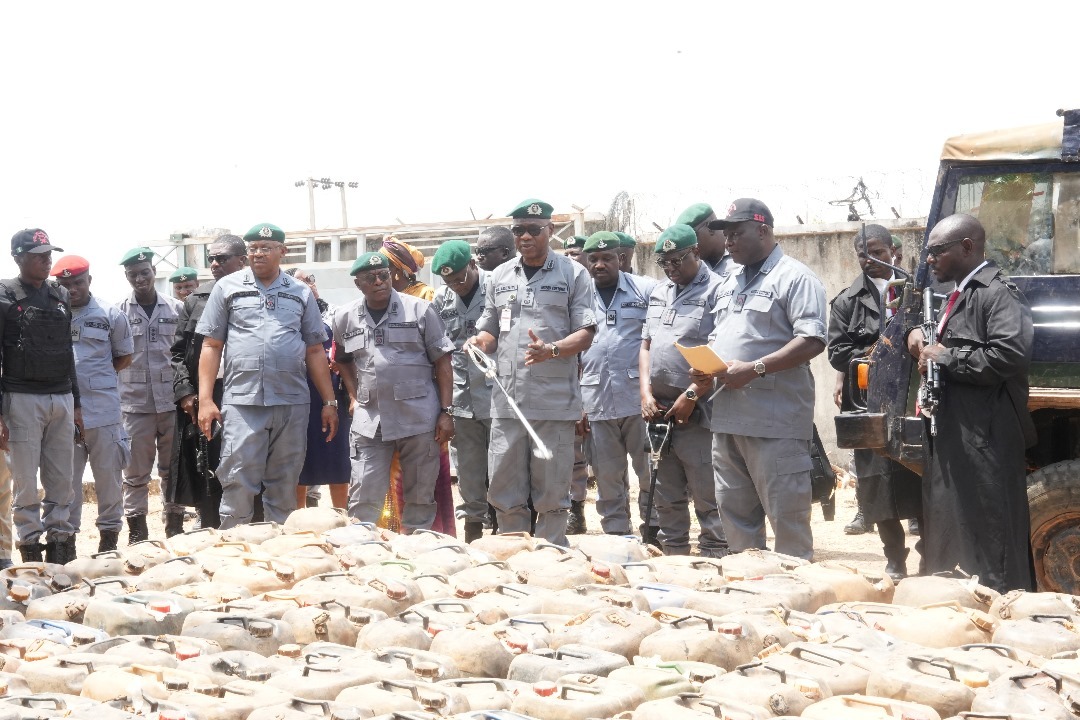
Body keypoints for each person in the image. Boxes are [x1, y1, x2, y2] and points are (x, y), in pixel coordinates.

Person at [906, 213, 1035, 592]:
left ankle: (998, 614)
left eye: (936, 252)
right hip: (957, 434)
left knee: (990, 534)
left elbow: (1008, 355)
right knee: (953, 526)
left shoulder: (998, 293)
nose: (929, 260)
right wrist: (918, 340)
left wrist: (945, 357)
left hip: (986, 438)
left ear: (967, 247)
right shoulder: (959, 293)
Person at [695, 199, 827, 561]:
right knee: (737, 524)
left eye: (736, 234)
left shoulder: (795, 277)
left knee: (788, 527)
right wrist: (705, 370)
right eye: (726, 235)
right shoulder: (728, 283)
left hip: (774, 424)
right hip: (727, 420)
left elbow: (812, 339)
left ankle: (798, 605)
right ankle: (752, 597)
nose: (728, 243)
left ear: (763, 231)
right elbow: (720, 338)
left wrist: (755, 368)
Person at [469, 198, 596, 546]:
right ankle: (514, 556)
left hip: (552, 401)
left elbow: (587, 331)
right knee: (504, 484)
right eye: (518, 230)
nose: (525, 237)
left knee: (552, 488)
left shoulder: (574, 274)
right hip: (507, 400)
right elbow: (491, 327)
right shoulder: (500, 276)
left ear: (550, 231)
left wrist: (552, 350)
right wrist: (480, 340)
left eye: (533, 230)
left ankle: (551, 556)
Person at [196, 223, 338, 528]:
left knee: (285, 485)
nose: (258, 254)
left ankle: (280, 561)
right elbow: (211, 344)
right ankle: (234, 554)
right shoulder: (227, 287)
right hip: (242, 402)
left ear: (282, 252)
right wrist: (205, 400)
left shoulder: (300, 292)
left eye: (266, 248)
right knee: (237, 481)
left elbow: (315, 350)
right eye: (253, 248)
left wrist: (329, 401)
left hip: (291, 402)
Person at [334, 252, 456, 529]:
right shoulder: (345, 317)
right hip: (371, 421)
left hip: (418, 418)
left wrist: (446, 411)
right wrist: (354, 396)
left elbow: (443, 362)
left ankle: (417, 558)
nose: (379, 281)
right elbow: (342, 361)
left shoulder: (420, 310)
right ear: (358, 284)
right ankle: (362, 556)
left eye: (384, 275)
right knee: (364, 496)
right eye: (370, 278)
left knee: (420, 497)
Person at [828, 224, 922, 580]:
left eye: (878, 252)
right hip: (868, 404)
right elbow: (837, 353)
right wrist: (876, 353)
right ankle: (894, 559)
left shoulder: (918, 290)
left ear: (893, 252)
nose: (871, 260)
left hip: (912, 402)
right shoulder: (847, 300)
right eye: (863, 254)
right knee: (875, 484)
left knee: (919, 478)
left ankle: (930, 554)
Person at [639, 224, 727, 557]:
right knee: (665, 490)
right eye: (665, 263)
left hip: (697, 410)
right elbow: (646, 345)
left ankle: (715, 552)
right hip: (658, 410)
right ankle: (675, 554)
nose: (671, 268)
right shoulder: (660, 292)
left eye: (678, 260)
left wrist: (691, 395)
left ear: (696, 253)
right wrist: (645, 394)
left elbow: (719, 351)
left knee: (706, 490)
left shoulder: (719, 290)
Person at [0, 229, 80, 564]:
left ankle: (61, 553)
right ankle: (31, 553)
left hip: (60, 397)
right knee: (25, 485)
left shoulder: (59, 294)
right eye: (38, 254)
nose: (47, 260)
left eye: (49, 254)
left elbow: (67, 351)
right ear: (18, 257)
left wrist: (77, 405)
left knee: (62, 482)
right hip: (21, 397)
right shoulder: (5, 294)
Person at [52, 256, 133, 553]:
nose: (72, 289)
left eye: (78, 282)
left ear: (89, 280)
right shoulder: (50, 315)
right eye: (65, 284)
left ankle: (108, 541)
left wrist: (95, 379)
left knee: (109, 478)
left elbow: (123, 357)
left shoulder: (110, 314)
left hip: (104, 410)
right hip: (63, 412)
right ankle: (68, 544)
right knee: (66, 483)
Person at [580, 232, 657, 538]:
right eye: (593, 260)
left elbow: (656, 341)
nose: (599, 264)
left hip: (638, 402)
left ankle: (653, 530)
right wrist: (578, 404)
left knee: (650, 473)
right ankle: (617, 536)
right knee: (608, 477)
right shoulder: (579, 296)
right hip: (596, 400)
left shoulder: (647, 290)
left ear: (621, 259)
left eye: (607, 258)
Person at [379, 237, 456, 535]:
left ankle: (428, 536)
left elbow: (440, 356)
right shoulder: (375, 301)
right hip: (386, 405)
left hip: (422, 403)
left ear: (397, 271)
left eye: (383, 268)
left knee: (423, 474)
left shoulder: (426, 297)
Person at [170, 234, 247, 529]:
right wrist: (187, 393)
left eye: (222, 258)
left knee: (246, 462)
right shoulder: (196, 300)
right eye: (211, 258)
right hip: (209, 394)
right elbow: (177, 352)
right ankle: (211, 527)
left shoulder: (258, 293)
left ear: (242, 260)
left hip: (247, 391)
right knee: (209, 465)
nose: (214, 264)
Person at [117, 247, 183, 542]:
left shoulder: (176, 308)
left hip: (171, 402)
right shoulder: (117, 312)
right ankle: (137, 532)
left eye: (145, 272)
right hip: (135, 405)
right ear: (127, 277)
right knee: (135, 473)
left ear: (154, 272)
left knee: (173, 470)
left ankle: (174, 526)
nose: (140, 279)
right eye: (133, 275)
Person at [431, 240, 494, 542]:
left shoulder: (497, 287)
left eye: (460, 277)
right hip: (462, 398)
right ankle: (473, 529)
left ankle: (509, 523)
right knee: (468, 468)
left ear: (472, 264)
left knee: (506, 465)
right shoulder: (441, 300)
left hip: (498, 395)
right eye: (448, 280)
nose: (455, 285)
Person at [285, 267, 350, 510]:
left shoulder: (337, 315)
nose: (308, 285)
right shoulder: (286, 318)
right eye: (300, 282)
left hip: (333, 397)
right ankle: (299, 518)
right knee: (301, 460)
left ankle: (341, 515)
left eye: (309, 279)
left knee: (337, 456)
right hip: (299, 398)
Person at [676, 203, 737, 276]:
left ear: (710, 228)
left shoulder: (744, 255)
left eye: (693, 237)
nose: (690, 246)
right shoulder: (694, 268)